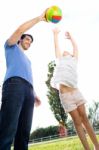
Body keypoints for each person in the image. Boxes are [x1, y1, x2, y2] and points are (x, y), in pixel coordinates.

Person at [0, 10, 47, 150]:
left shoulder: (28, 61)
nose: (29, 42)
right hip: (14, 85)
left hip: (28, 91)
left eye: (31, 42)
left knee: (24, 132)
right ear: (20, 39)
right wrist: (39, 18)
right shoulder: (11, 46)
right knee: (8, 128)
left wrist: (34, 93)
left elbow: (27, 75)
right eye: (27, 39)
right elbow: (20, 29)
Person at [51, 28, 99, 150]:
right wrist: (55, 34)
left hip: (76, 92)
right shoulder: (59, 60)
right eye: (63, 52)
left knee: (85, 119)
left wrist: (71, 39)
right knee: (77, 122)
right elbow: (56, 47)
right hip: (66, 95)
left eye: (68, 51)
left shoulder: (74, 60)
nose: (65, 52)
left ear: (72, 55)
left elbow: (76, 48)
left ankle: (97, 146)